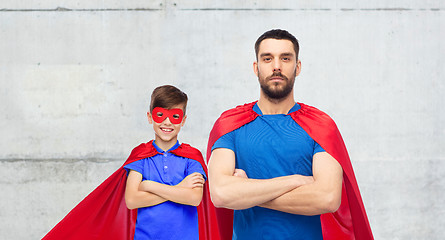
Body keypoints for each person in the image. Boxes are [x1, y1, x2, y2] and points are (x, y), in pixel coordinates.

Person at [206, 29, 373, 240]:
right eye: (268, 59)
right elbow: (220, 194)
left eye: (285, 58)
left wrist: (246, 193)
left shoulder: (321, 126)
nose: (276, 66)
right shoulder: (230, 125)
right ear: (256, 68)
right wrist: (295, 181)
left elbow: (327, 198)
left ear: (298, 66)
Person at [43, 85, 219, 240]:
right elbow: (132, 199)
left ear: (183, 121)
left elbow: (194, 198)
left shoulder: (192, 156)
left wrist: (150, 185)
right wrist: (179, 188)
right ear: (150, 117)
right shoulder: (141, 155)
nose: (167, 122)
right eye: (160, 115)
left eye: (174, 116)